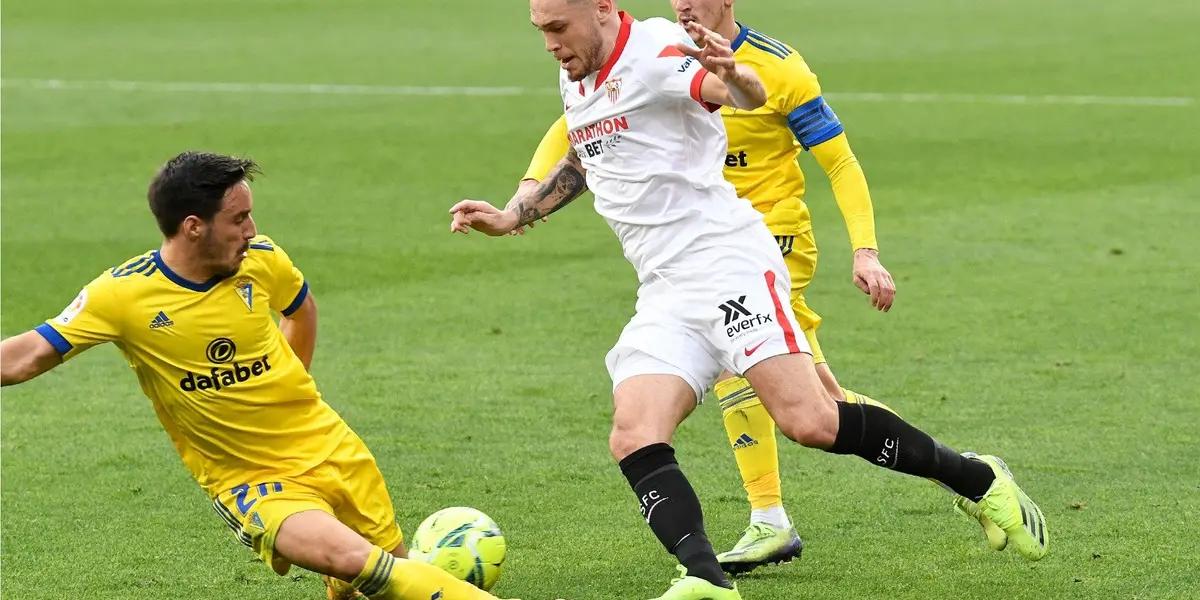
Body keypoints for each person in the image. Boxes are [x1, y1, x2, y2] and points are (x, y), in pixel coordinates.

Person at [450, 2, 1047, 599]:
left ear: (603, 7)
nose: (550, 43)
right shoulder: (578, 68)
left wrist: (734, 75)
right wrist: (512, 215)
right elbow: (585, 155)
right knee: (633, 433)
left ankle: (977, 479)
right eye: (541, 30)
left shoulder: (656, 52)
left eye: (558, 28)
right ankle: (706, 579)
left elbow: (741, 95)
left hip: (727, 265)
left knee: (811, 420)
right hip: (665, 289)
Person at [513, 0, 911, 574]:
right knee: (821, 405)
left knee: (748, 371)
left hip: (766, 236)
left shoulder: (777, 67)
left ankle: (769, 519)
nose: (683, 3)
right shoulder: (649, 57)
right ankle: (964, 475)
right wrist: (525, 195)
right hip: (689, 247)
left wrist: (866, 250)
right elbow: (576, 125)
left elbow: (839, 162)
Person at [1, 151, 507, 600]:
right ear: (193, 226)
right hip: (255, 482)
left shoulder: (261, 259)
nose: (251, 230)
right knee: (365, 564)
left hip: (333, 447)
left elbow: (300, 309)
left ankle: (345, 586)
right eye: (238, 218)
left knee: (383, 580)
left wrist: (290, 388)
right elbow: (25, 356)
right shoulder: (122, 295)